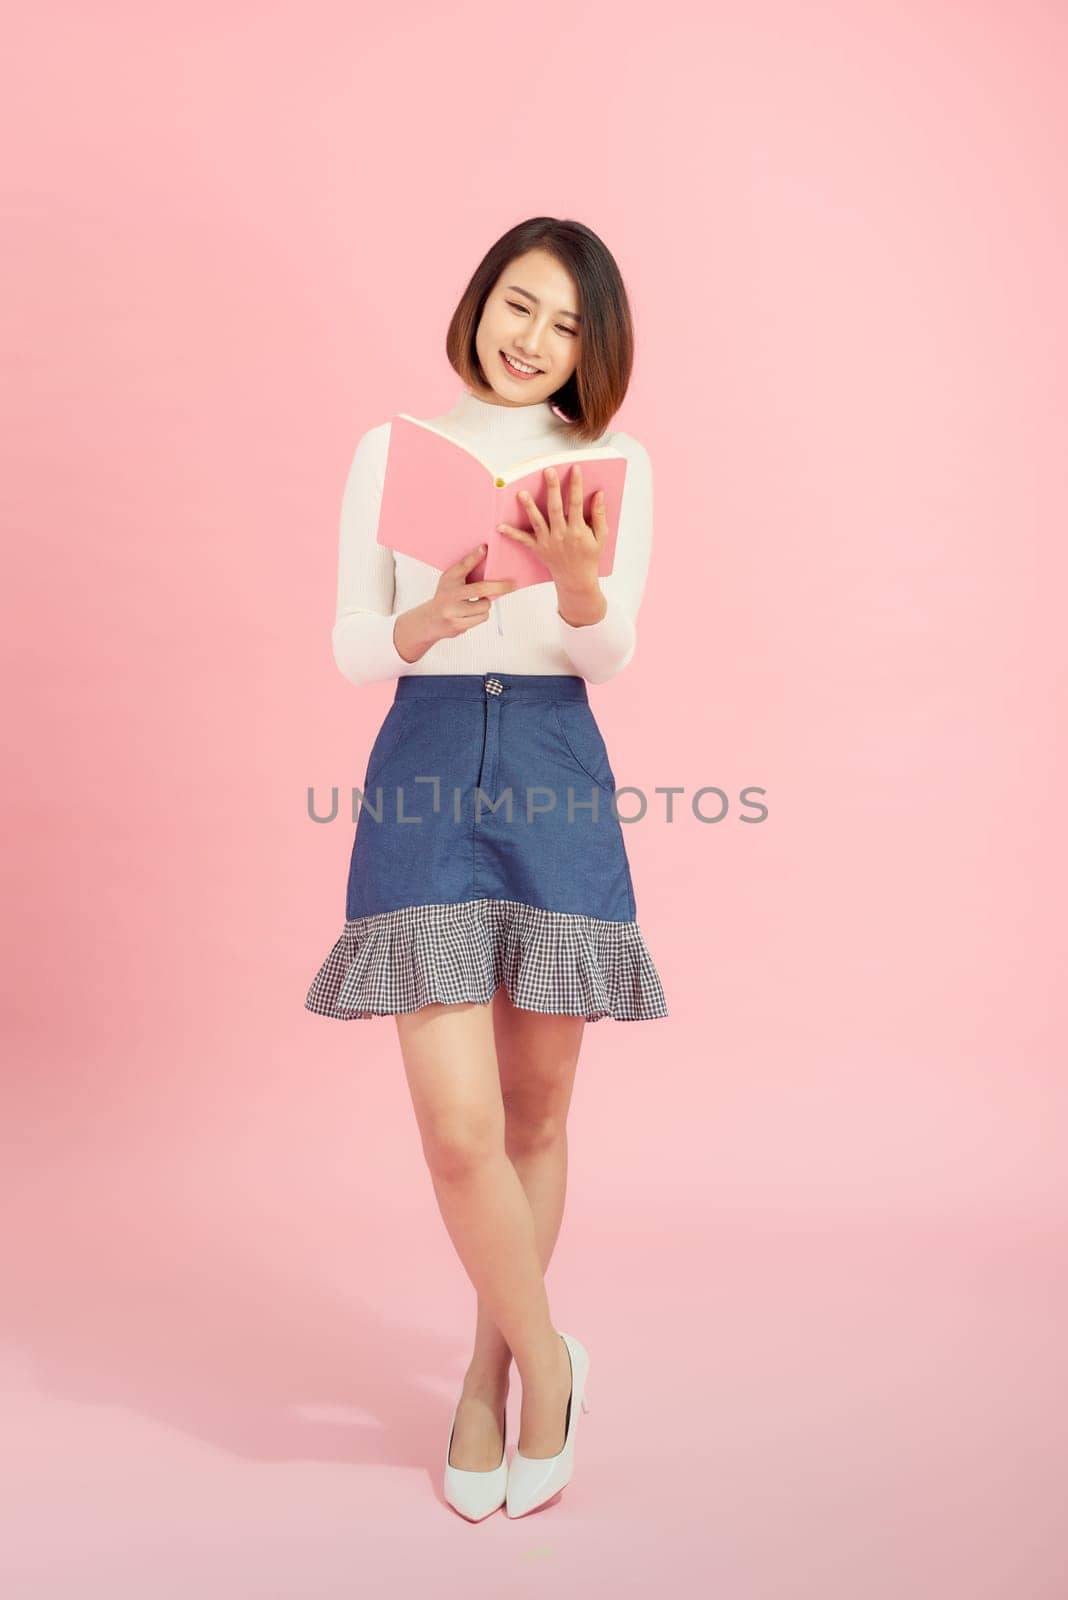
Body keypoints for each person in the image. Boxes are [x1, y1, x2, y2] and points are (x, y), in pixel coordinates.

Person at [305, 216, 669, 1520]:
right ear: (479, 303)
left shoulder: (610, 460)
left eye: (568, 324)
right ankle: (553, 1361)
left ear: (593, 348)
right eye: (521, 306)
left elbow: (614, 650)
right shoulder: (394, 453)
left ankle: (486, 1376)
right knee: (459, 1132)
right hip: (424, 764)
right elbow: (354, 642)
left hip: (556, 772)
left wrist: (575, 586)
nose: (534, 340)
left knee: (535, 1116)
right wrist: (433, 614)